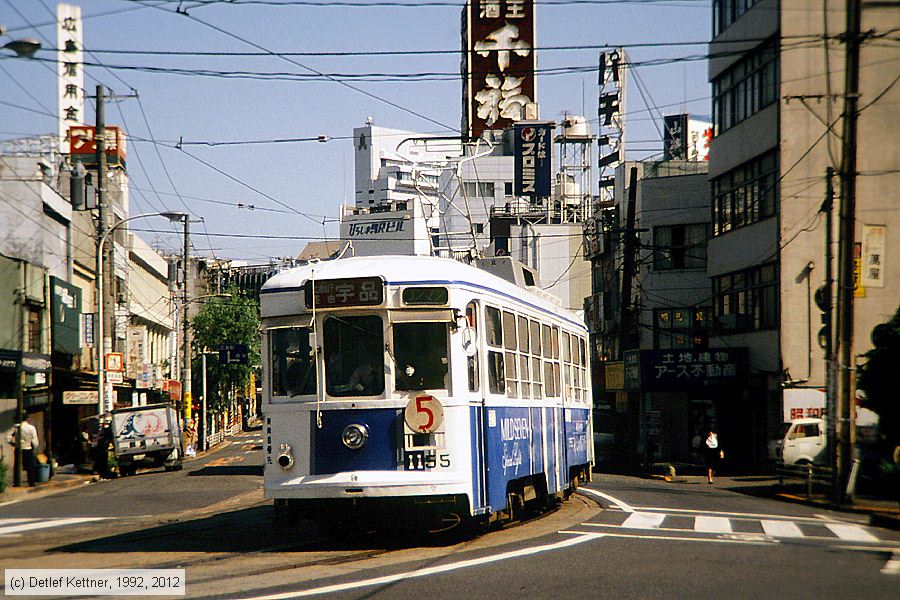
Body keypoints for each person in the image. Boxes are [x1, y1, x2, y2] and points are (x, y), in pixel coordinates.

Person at [18, 415, 39, 486]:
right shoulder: (31, 428)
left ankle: (17, 482)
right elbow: (34, 440)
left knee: (17, 466)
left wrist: (14, 444)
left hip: (19, 448)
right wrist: (34, 446)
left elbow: (9, 437)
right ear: (27, 419)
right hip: (28, 448)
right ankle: (31, 482)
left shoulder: (16, 427)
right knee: (30, 466)